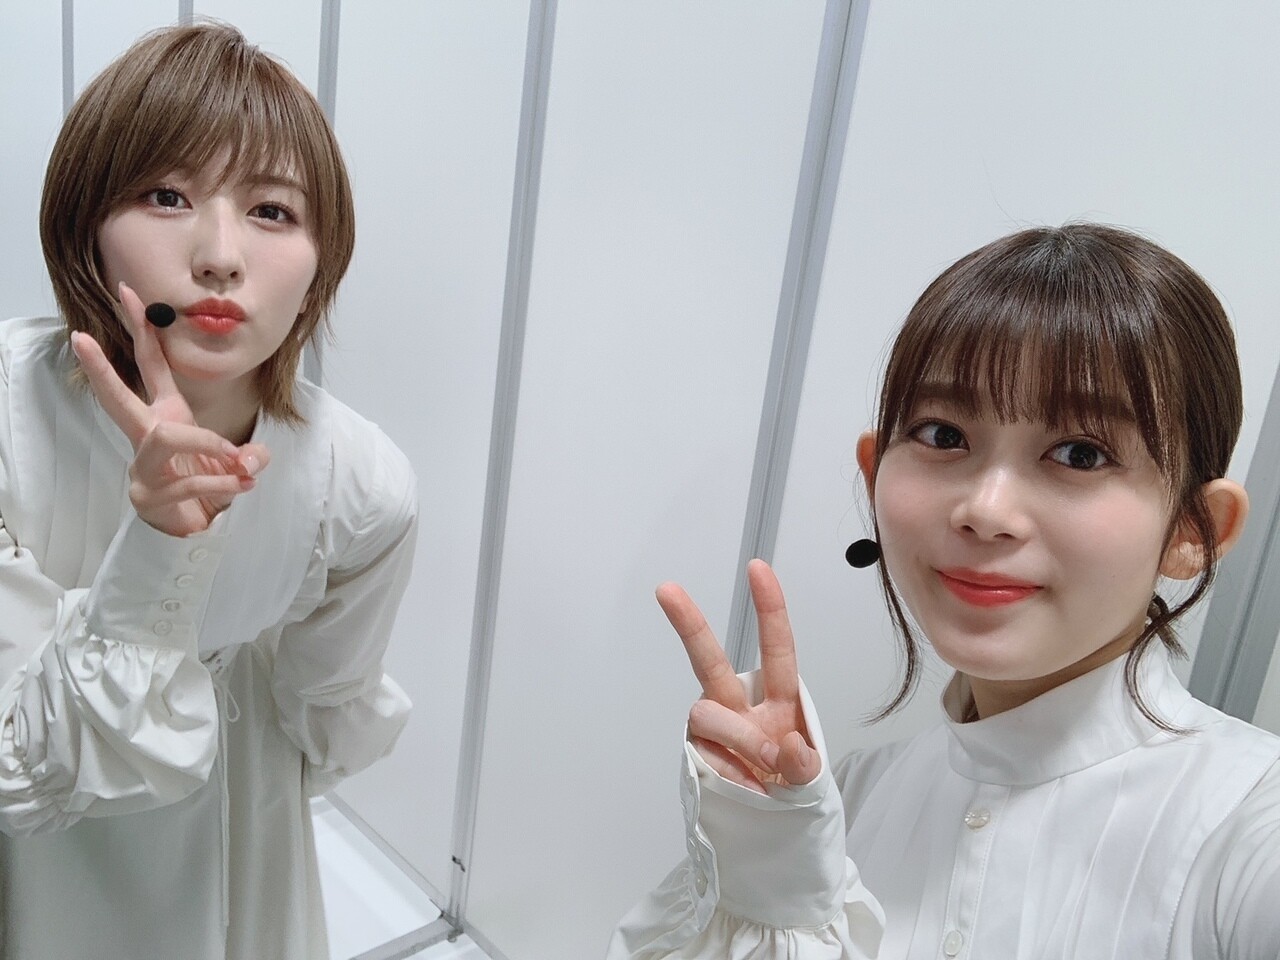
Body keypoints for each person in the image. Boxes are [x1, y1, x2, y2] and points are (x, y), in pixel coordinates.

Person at [608, 224, 1280, 959]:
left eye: (1080, 453)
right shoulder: (844, 801)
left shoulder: (1250, 826)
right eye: (942, 435)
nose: (985, 510)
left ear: (1193, 530)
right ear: (875, 473)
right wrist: (764, 895)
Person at [0, 22, 417, 960]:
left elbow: (322, 709)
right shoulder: (7, 417)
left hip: (238, 820)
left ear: (320, 262)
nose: (220, 255)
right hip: (42, 848)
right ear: (82, 221)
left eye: (272, 210)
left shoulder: (362, 483)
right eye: (166, 194)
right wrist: (157, 547)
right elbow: (18, 764)